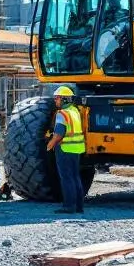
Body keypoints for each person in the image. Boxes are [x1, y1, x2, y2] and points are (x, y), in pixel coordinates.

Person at [47, 85, 85, 214]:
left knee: (66, 178)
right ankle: (79, 206)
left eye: (57, 98)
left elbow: (58, 134)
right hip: (77, 149)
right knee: (75, 177)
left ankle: (69, 206)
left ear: (64, 99)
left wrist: (50, 145)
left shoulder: (62, 114)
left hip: (65, 149)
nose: (55, 101)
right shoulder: (74, 111)